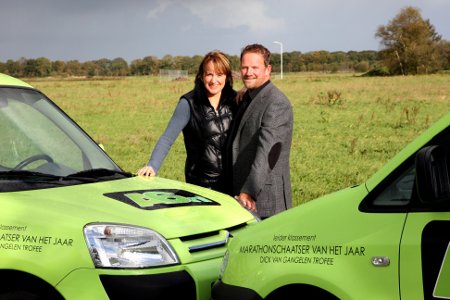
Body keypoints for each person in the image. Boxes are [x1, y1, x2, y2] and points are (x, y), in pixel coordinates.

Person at [137, 50, 237, 192]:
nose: (214, 80)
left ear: (226, 77)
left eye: (220, 75)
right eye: (209, 74)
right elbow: (167, 138)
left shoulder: (236, 100)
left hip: (232, 183)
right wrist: (152, 165)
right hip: (201, 185)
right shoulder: (189, 103)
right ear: (202, 76)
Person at [227, 43, 293, 218]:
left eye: (255, 67)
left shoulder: (276, 103)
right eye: (244, 67)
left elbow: (269, 152)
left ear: (267, 69)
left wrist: (249, 191)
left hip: (264, 201)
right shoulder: (247, 96)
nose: (249, 72)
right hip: (241, 196)